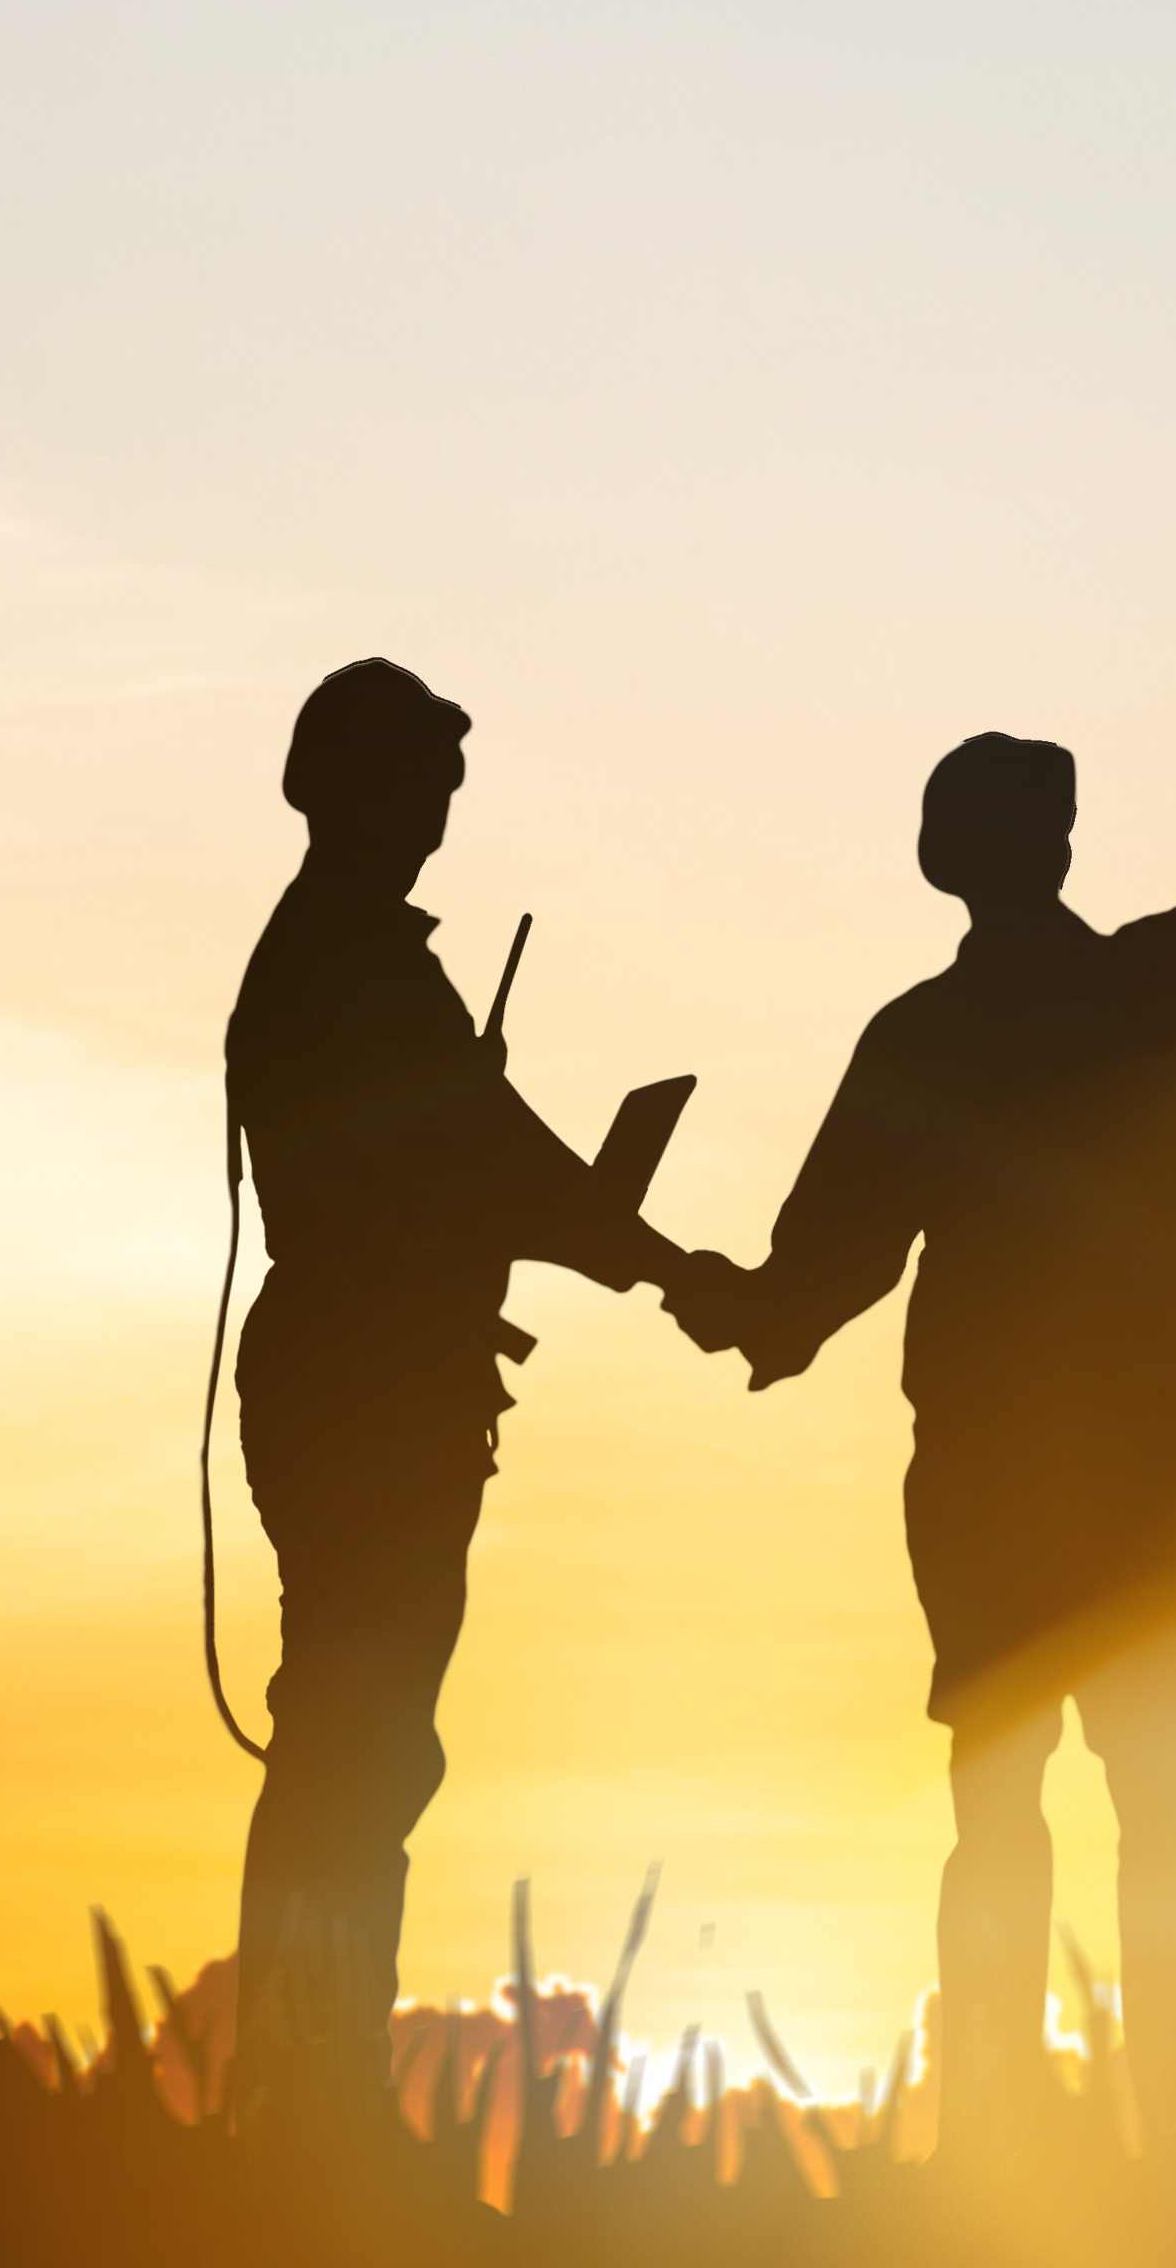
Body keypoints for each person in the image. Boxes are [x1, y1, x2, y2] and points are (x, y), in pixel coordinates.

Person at [673, 654, 1176, 2144]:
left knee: (997, 1794)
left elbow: (823, 1263)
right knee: (1160, 1787)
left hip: (993, 1449)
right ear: (1051, 845)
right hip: (1142, 1440)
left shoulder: (922, 1040)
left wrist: (733, 1304)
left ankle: (996, 2122)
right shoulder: (1129, 993)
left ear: (947, 858)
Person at [220, 657, 702, 2146]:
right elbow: (488, 1159)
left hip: (371, 1377)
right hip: (365, 1394)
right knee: (356, 1746)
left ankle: (306, 2091)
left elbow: (460, 1166)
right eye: (414, 786)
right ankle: (307, 2108)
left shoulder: (338, 955)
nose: (434, 817)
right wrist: (665, 1261)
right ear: (336, 789)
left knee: (356, 1740)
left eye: (444, 792)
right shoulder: (355, 963)